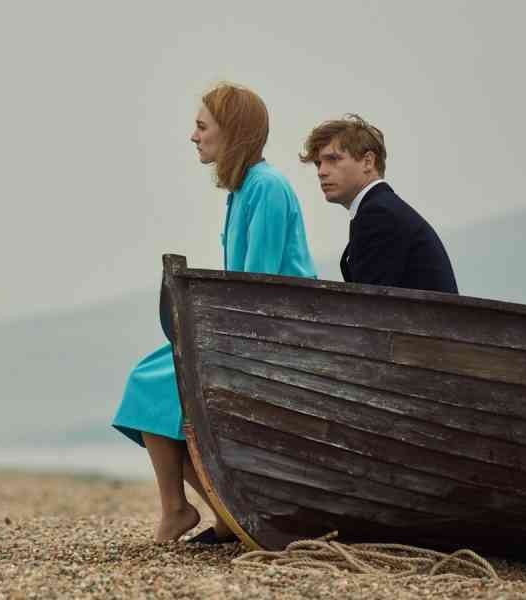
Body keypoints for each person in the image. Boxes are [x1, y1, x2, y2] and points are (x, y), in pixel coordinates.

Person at [112, 83, 317, 544]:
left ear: (233, 133)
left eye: (202, 127)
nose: (193, 136)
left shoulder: (267, 187)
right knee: (147, 381)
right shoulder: (242, 190)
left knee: (147, 382)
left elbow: (256, 286)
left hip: (275, 335)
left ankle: (181, 511)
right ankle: (209, 510)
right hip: (240, 328)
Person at [299, 114, 458, 293]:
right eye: (318, 163)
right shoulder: (380, 208)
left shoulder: (379, 214)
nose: (322, 171)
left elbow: (371, 306)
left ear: (368, 162)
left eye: (333, 159)